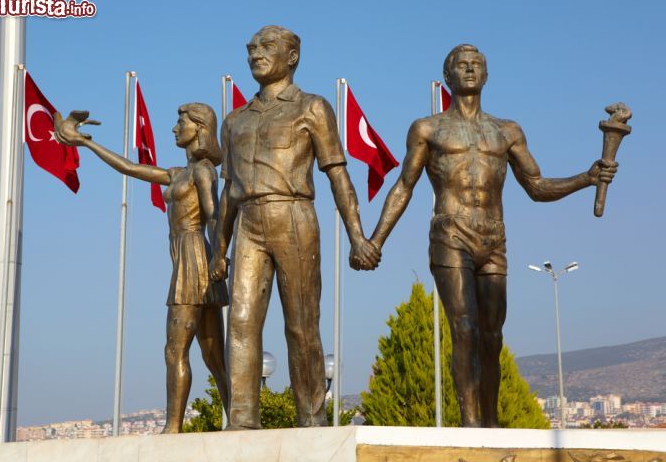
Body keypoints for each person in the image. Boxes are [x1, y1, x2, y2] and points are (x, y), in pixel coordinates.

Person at [369, 44, 617, 427]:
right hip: (450, 234)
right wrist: (376, 240)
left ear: (486, 76)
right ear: (448, 76)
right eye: (461, 65)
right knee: (464, 327)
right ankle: (470, 425)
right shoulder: (427, 129)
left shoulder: (507, 131)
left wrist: (586, 178)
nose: (469, 70)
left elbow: (536, 186)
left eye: (477, 65)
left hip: (494, 240)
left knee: (492, 337)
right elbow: (404, 186)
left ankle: (489, 422)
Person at [209, 25, 381, 430]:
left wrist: (357, 236)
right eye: (251, 46)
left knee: (301, 325)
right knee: (242, 323)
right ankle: (242, 421)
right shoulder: (234, 120)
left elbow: (338, 174)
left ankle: (312, 421)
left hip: (295, 218)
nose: (255, 52)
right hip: (248, 223)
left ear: (292, 56)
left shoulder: (312, 107)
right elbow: (229, 193)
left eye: (267, 46)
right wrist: (219, 249)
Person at [53, 103, 229, 433]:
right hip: (192, 257)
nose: (175, 129)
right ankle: (237, 420)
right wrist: (86, 143)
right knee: (213, 356)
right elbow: (131, 168)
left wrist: (219, 255)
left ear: (200, 129)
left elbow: (215, 213)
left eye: (181, 123)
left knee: (176, 350)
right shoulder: (180, 173)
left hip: (194, 258)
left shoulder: (203, 171)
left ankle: (173, 427)